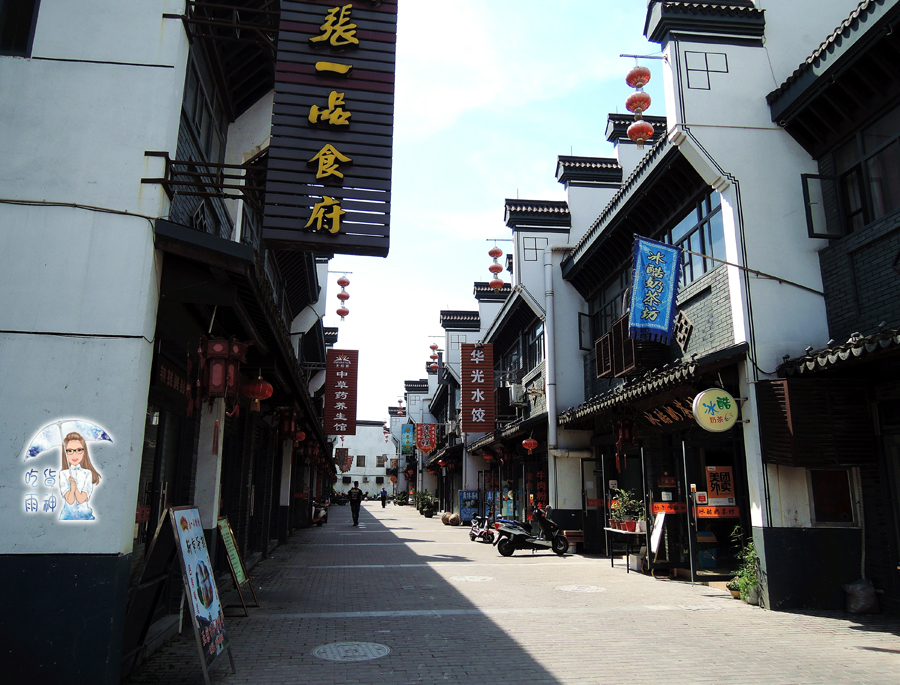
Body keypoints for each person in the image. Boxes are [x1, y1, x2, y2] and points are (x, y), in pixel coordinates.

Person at [58, 431, 102, 521]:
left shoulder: (87, 473)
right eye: (69, 451)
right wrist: (72, 488)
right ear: (65, 453)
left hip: (85, 516)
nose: (74, 454)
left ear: (84, 451)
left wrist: (75, 488)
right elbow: (70, 501)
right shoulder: (63, 474)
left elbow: (81, 499)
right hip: (66, 517)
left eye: (79, 450)